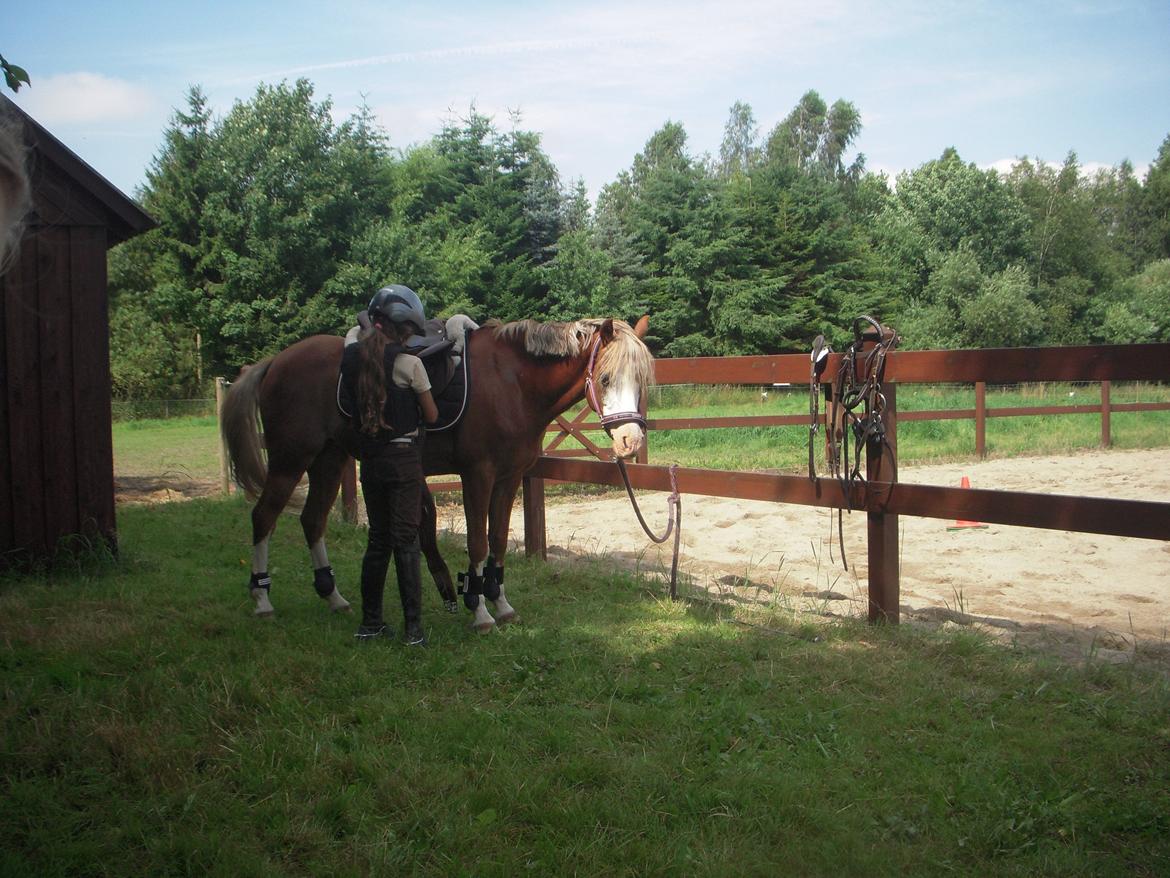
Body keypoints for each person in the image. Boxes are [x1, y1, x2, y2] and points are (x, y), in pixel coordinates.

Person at [340, 284, 439, 645]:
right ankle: (414, 630)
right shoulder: (410, 364)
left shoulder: (351, 359)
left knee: (378, 539)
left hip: (370, 462)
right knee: (406, 540)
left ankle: (371, 623)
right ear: (403, 328)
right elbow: (430, 413)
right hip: (403, 460)